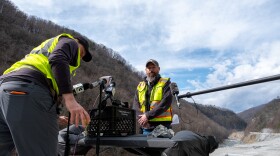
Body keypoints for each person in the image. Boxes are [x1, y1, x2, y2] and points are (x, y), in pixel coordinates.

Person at [0, 33, 92, 155]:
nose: (80, 58)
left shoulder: (41, 52)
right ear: (77, 41)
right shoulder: (70, 42)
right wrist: (70, 100)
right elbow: (58, 58)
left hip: (5, 90)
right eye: (81, 53)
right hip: (29, 89)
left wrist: (53, 116)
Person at [133, 59, 173, 135]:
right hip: (146, 126)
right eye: (149, 68)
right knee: (144, 146)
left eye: (153, 67)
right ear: (146, 70)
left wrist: (147, 116)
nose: (151, 70)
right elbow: (135, 105)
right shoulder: (140, 86)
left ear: (159, 69)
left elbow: (166, 102)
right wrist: (141, 119)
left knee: (162, 147)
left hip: (163, 127)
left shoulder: (165, 83)